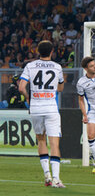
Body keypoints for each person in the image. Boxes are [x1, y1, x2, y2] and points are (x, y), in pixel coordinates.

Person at [18, 40, 65, 188]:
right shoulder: (57, 67)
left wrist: (28, 97)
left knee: (41, 140)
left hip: (36, 108)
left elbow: (21, 87)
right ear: (52, 52)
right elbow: (60, 88)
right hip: (51, 107)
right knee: (54, 143)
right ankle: (56, 179)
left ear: (38, 51)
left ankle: (47, 176)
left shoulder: (30, 66)